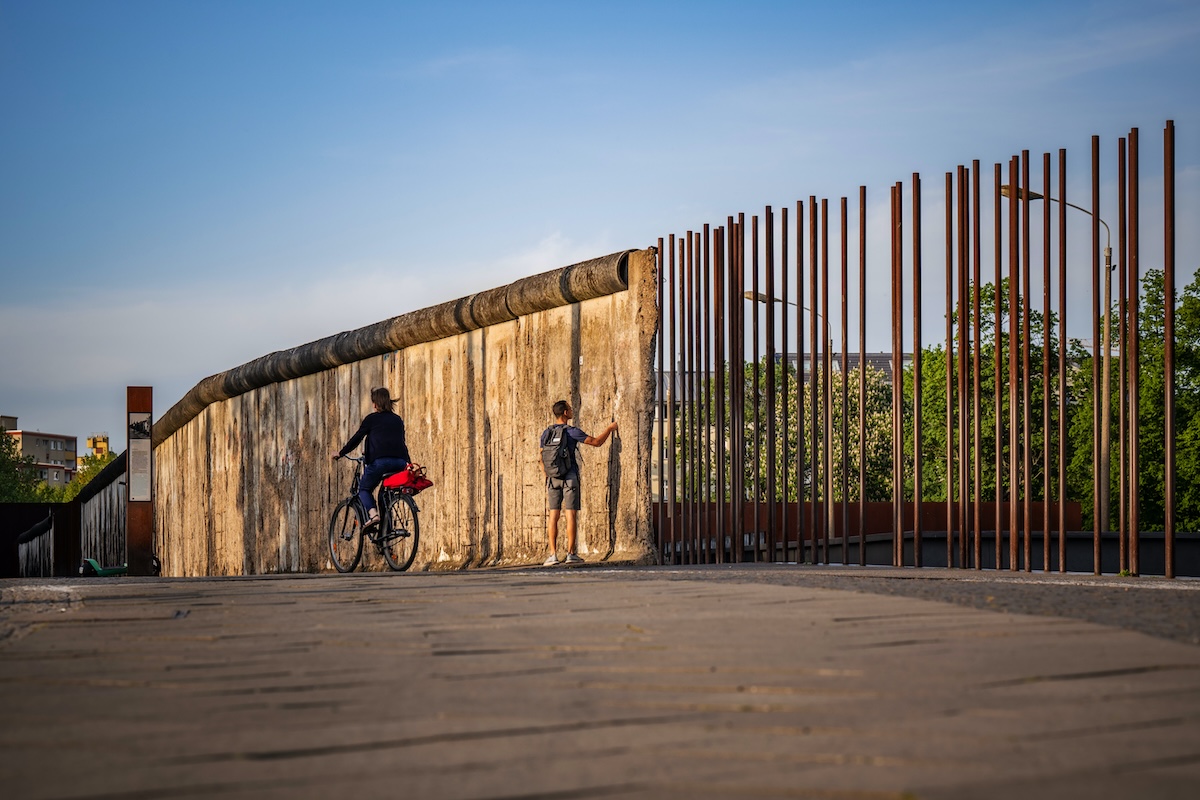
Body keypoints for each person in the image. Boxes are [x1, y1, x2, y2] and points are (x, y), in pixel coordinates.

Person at [539, 399, 618, 565]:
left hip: (552, 478)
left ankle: (552, 555)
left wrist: (547, 474)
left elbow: (541, 456)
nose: (572, 409)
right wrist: (610, 429)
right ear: (565, 413)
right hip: (569, 476)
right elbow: (596, 442)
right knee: (570, 514)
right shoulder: (571, 431)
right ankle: (571, 553)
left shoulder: (547, 433)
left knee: (553, 515)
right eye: (570, 408)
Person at [332, 387, 410, 530]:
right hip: (399, 463)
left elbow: (357, 438)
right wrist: (408, 464)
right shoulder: (397, 420)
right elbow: (401, 443)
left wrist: (341, 452)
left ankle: (374, 516)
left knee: (364, 489)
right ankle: (385, 535)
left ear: (375, 403)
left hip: (380, 463)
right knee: (383, 495)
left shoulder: (371, 419)